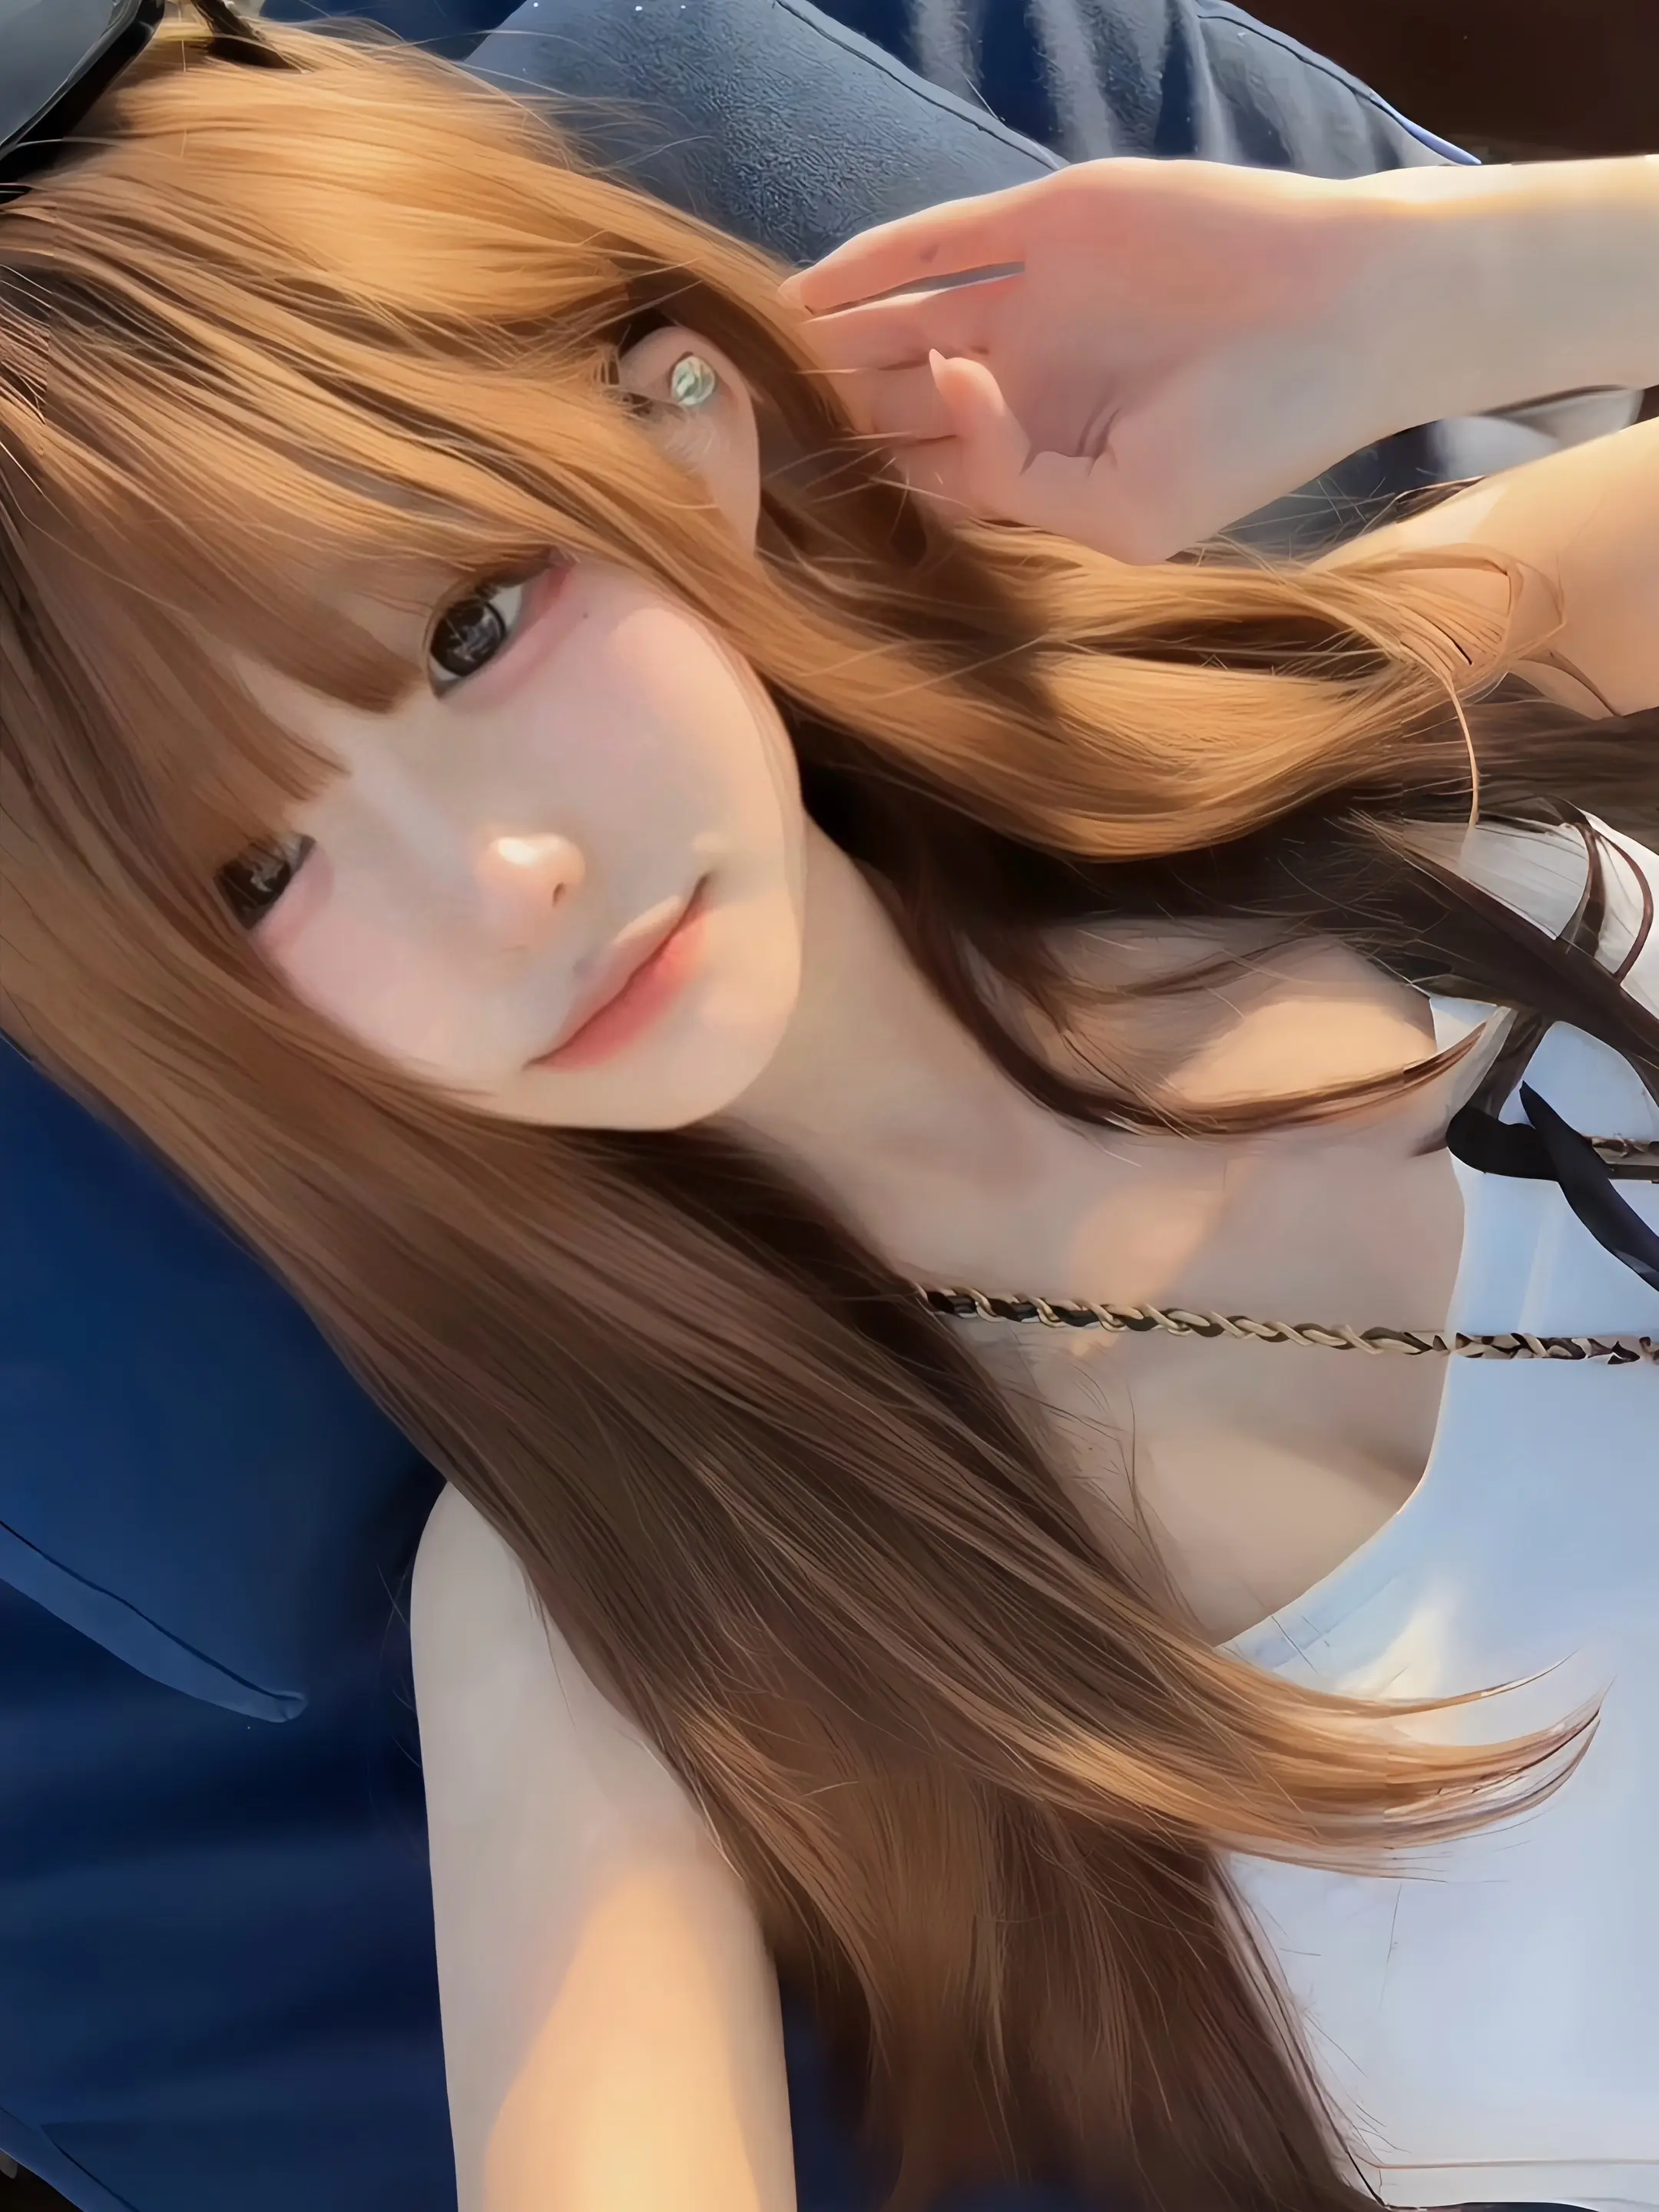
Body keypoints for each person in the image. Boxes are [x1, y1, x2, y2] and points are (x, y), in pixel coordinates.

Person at [1, 11, 1654, 2212]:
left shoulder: (1337, 719)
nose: (502, 883)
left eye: (472, 632)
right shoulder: (605, 1597)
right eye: (263, 868)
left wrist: (1427, 287)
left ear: (687, 430)